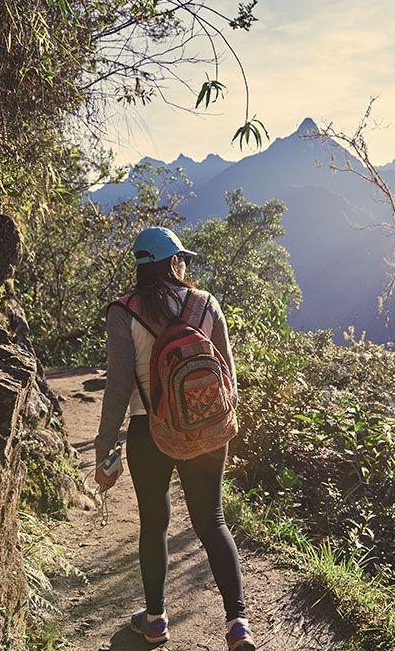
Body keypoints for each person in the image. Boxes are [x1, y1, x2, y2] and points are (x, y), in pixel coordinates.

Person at [93, 226, 255, 650]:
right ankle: (238, 626)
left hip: (149, 431)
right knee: (212, 520)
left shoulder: (123, 312)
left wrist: (104, 446)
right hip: (205, 427)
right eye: (180, 258)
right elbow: (228, 377)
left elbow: (117, 387)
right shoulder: (205, 304)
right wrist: (221, 427)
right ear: (173, 262)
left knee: (154, 523)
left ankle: (155, 620)